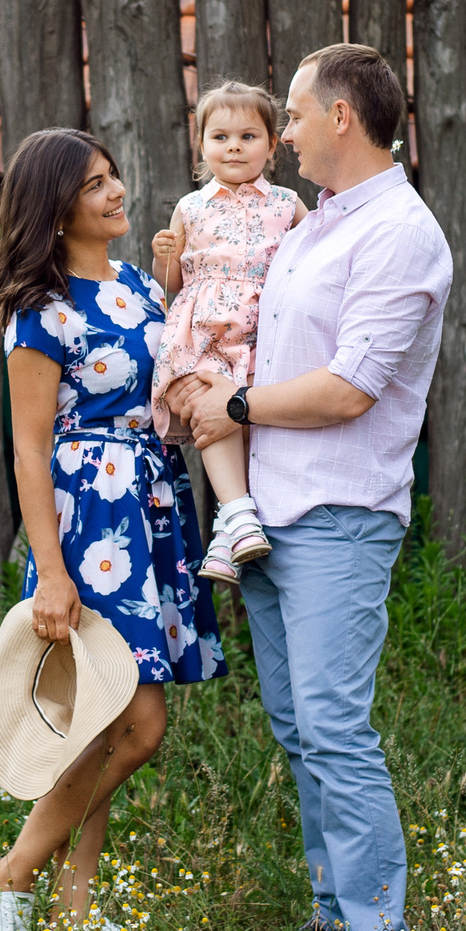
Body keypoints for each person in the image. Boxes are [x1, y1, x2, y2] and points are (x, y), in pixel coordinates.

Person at [181, 44, 449, 931]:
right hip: (270, 514)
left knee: (335, 726)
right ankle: (334, 915)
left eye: (292, 115)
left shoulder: (400, 235)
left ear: (342, 116)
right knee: (298, 728)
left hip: (339, 513)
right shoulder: (309, 227)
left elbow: (349, 389)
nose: (281, 133)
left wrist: (235, 405)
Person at [0, 127, 225, 931]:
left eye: (115, 176)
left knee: (102, 717)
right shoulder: (40, 310)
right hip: (90, 518)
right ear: (57, 206)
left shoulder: (142, 286)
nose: (117, 193)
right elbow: (27, 449)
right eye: (96, 185)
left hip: (150, 504)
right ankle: (9, 876)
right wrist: (49, 570)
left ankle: (72, 906)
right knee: (133, 723)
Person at [148, 80, 308, 587]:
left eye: (248, 135)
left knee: (250, 420)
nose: (234, 146)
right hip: (207, 335)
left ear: (271, 143)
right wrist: (161, 254)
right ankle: (237, 512)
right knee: (214, 409)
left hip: (265, 330)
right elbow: (168, 286)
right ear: (202, 145)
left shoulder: (287, 203)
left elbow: (317, 256)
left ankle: (227, 530)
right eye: (220, 137)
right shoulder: (191, 207)